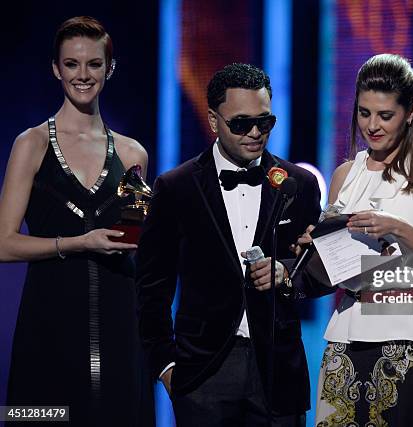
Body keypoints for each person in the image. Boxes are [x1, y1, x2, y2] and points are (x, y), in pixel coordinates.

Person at [135, 63, 323, 426]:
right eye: (241, 123)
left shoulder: (298, 184)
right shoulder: (177, 188)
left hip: (277, 368)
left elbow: (316, 277)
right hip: (203, 371)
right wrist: (166, 366)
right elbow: (152, 286)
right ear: (212, 120)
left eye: (264, 122)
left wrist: (287, 274)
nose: (255, 133)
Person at [0, 16, 154, 425]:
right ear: (56, 69)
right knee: (39, 417)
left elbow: (133, 238)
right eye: (72, 64)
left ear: (110, 68)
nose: (83, 75)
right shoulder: (30, 144)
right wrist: (75, 244)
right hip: (48, 323)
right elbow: (3, 243)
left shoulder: (133, 153)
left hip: (120, 321)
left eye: (93, 64)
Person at [309, 54, 413, 426]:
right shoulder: (346, 173)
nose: (372, 126)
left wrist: (397, 227)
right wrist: (314, 247)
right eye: (364, 113)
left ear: (410, 112)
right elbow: (331, 272)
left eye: (385, 115)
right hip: (349, 331)